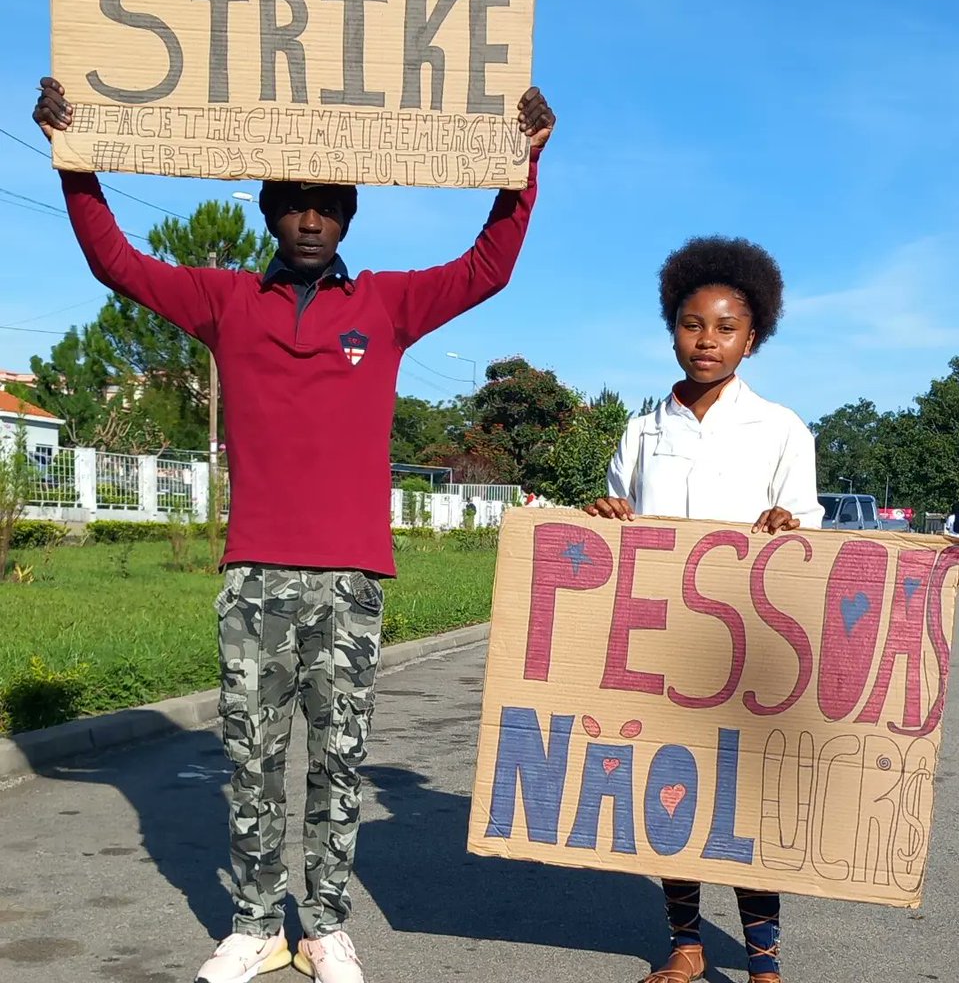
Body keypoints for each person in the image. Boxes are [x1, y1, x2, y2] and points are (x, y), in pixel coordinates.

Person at [34, 77, 555, 983]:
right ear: (272, 213)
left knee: (339, 765)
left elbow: (487, 268)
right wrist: (77, 163)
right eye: (294, 206)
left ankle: (322, 929)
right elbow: (117, 263)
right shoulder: (223, 302)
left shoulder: (386, 308)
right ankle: (253, 925)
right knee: (252, 761)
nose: (310, 220)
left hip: (351, 579)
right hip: (254, 577)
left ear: (347, 216)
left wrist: (522, 166)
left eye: (326, 206)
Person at [584, 236, 823, 983]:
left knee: (743, 806)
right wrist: (605, 515)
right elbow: (620, 527)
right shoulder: (642, 429)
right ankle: (684, 944)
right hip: (657, 644)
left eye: (725, 327)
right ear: (671, 326)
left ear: (753, 339)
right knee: (671, 796)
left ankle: (761, 962)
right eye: (692, 324)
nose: (706, 340)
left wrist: (788, 525)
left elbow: (810, 527)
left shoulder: (780, 428)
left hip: (745, 645)